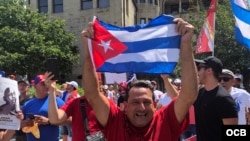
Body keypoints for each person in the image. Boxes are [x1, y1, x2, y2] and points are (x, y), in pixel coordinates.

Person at [80, 18, 198, 140]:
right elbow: (92, 94)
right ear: (125, 106)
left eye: (147, 102)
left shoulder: (165, 121)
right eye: (135, 102)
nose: (142, 108)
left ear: (155, 105)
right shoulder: (114, 120)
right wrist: (89, 49)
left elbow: (188, 95)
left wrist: (185, 45)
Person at [47, 73, 104, 141]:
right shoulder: (75, 102)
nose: (85, 82)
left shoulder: (108, 105)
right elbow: (55, 119)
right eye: (84, 80)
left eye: (89, 79)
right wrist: (51, 91)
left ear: (99, 82)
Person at [194, 56, 238, 141]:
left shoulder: (224, 99)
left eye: (199, 68)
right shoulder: (200, 93)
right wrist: (165, 80)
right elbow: (179, 99)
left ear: (209, 70)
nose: (197, 72)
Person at [22, 74, 65, 141]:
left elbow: (69, 120)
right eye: (43, 84)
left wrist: (48, 121)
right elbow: (20, 124)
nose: (47, 86)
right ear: (35, 86)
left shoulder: (56, 100)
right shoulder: (27, 104)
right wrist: (27, 123)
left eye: (47, 83)